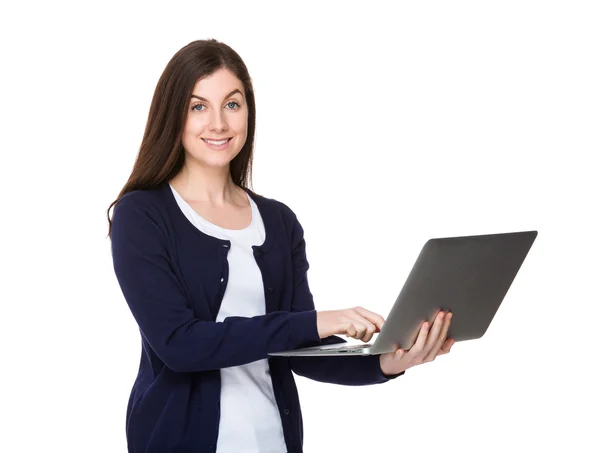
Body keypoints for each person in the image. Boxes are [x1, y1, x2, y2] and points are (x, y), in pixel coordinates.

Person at [107, 39, 454, 453]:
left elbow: (300, 352)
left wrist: (388, 361)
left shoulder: (278, 221)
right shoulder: (142, 215)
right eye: (198, 106)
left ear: (248, 112)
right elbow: (180, 345)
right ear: (173, 116)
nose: (218, 123)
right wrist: (317, 321)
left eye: (232, 105)